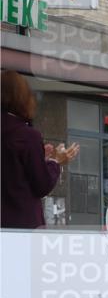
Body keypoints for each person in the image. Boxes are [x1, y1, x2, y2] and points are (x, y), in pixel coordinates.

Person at [1, 71, 80, 228]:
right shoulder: (27, 135)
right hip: (21, 226)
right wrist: (56, 161)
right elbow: (41, 184)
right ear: (22, 97)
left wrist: (38, 157)